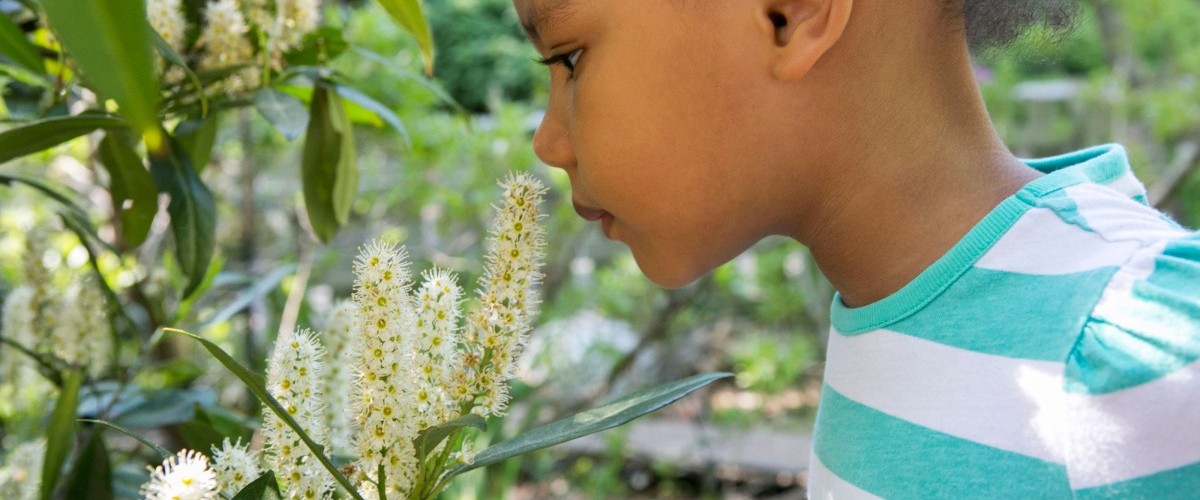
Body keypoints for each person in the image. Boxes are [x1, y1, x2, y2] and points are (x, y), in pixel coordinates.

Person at [512, 0, 1200, 497]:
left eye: (571, 59)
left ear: (793, 13)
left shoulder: (1140, 348)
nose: (547, 142)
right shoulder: (895, 309)